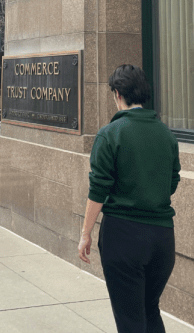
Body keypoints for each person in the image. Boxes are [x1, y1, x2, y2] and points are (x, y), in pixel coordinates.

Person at [78, 64, 181, 333]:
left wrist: (85, 233)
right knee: (150, 310)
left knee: (130, 320)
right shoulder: (166, 134)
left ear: (117, 94)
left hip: (123, 236)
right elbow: (172, 182)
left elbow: (98, 189)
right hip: (162, 238)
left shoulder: (110, 133)